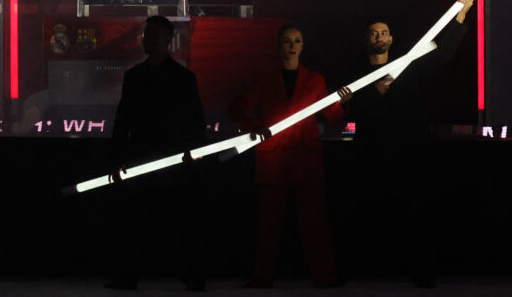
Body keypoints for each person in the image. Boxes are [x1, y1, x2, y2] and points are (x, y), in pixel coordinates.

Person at [339, 0, 475, 288]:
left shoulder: (408, 66)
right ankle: (354, 269)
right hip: (371, 156)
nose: (380, 37)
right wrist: (345, 102)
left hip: (409, 154)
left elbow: (443, 53)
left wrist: (461, 15)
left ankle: (421, 271)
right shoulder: (355, 77)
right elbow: (340, 113)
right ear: (366, 39)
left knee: (415, 214)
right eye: (375, 33)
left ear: (392, 38)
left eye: (385, 32)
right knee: (364, 215)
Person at [229, 23, 346, 288]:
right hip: (276, 157)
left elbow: (334, 117)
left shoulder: (316, 81)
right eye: (287, 41)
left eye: (296, 41)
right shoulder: (265, 79)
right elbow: (237, 107)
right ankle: (263, 276)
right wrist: (254, 129)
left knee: (314, 222)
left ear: (302, 45)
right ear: (278, 45)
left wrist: (340, 102)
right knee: (270, 223)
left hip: (304, 158)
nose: (292, 46)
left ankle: (324, 276)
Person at [107, 15, 207, 291]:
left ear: (167, 40)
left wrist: (195, 152)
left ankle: (191, 276)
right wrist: (117, 160)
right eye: (146, 35)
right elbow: (122, 120)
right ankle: (128, 276)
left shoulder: (183, 79)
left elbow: (195, 120)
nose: (147, 40)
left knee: (178, 221)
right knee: (137, 221)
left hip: (172, 161)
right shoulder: (135, 77)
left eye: (153, 35)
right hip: (142, 159)